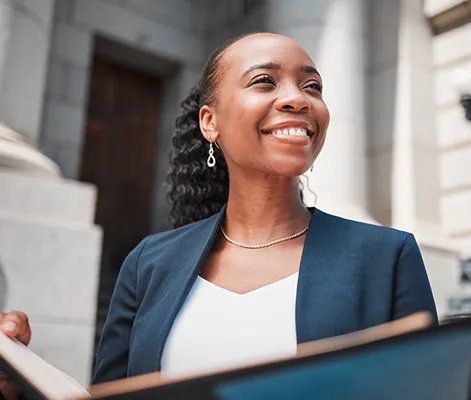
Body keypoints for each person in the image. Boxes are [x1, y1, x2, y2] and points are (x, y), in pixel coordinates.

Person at [0, 32, 437, 396]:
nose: (297, 99)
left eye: (312, 86)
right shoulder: (148, 264)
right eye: (265, 81)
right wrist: (18, 383)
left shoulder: (387, 256)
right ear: (210, 122)